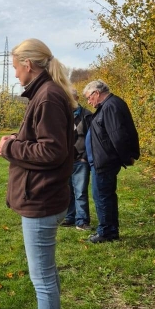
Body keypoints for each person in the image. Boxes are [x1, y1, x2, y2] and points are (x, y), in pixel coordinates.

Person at [0, 39, 75, 309]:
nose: (15, 73)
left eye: (15, 67)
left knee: (42, 278)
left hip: (41, 199)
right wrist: (16, 141)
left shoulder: (47, 96)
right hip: (43, 196)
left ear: (28, 64)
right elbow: (45, 142)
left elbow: (52, 151)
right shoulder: (46, 93)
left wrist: (10, 149)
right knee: (46, 275)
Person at [83, 79, 140, 243]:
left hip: (105, 161)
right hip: (102, 160)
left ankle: (106, 232)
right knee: (105, 196)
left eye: (89, 97)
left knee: (102, 197)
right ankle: (110, 230)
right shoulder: (109, 105)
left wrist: (127, 157)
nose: (88, 102)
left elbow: (118, 135)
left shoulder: (110, 106)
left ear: (96, 93)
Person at [60, 88, 92, 231]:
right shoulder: (61, 115)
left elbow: (92, 139)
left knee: (80, 192)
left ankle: (82, 221)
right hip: (65, 161)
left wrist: (85, 157)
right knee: (68, 191)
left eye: (70, 99)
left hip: (81, 160)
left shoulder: (87, 115)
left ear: (77, 99)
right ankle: (70, 217)